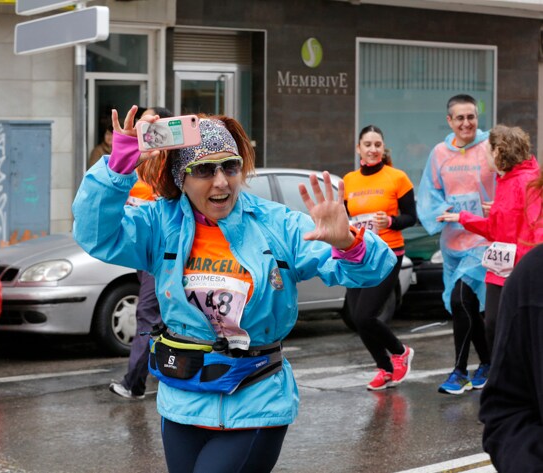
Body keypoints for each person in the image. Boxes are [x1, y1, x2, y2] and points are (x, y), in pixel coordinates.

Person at [72, 105, 395, 473]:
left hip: (254, 400)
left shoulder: (277, 224)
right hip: (182, 400)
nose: (222, 181)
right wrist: (116, 170)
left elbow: (373, 271)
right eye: (205, 170)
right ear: (181, 177)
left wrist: (350, 243)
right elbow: (95, 235)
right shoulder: (160, 222)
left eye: (231, 166)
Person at [436, 125, 541, 356]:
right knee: (494, 326)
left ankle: (515, 380)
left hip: (518, 271)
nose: (484, 157)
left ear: (498, 151)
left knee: (512, 328)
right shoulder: (503, 180)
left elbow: (537, 234)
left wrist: (525, 269)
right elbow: (495, 230)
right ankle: (500, 376)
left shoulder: (530, 181)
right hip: (498, 268)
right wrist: (463, 217)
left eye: (487, 151)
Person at [417, 94, 497, 395]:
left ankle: (459, 371)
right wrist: (439, 212)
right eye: (460, 118)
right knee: (467, 305)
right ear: (450, 121)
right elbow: (430, 191)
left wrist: (499, 206)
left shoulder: (491, 146)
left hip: (484, 239)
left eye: (471, 117)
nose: (467, 123)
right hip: (453, 241)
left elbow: (508, 180)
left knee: (460, 299)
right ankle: (488, 362)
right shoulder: (439, 153)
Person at [343, 125, 416, 391]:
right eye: (368, 145)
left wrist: (392, 220)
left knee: (365, 316)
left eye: (377, 145)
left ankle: (400, 352)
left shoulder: (397, 178)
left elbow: (411, 217)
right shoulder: (349, 180)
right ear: (359, 148)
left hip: (388, 254)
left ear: (383, 148)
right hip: (357, 254)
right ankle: (384, 368)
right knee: (355, 316)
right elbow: (344, 218)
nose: (373, 150)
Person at [110, 106, 173, 400]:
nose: (145, 128)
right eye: (143, 123)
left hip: (160, 252)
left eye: (153, 124)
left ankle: (133, 382)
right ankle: (170, 370)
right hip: (143, 251)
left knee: (148, 313)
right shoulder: (139, 165)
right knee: (159, 315)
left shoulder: (167, 160)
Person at [479, 243, 543, 472]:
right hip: (504, 268)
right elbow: (506, 410)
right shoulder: (534, 274)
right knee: (467, 308)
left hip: (515, 260)